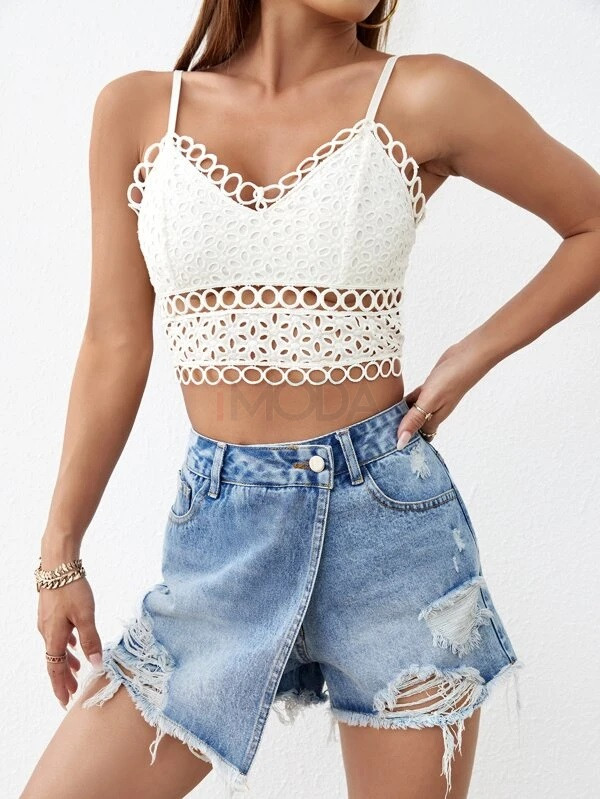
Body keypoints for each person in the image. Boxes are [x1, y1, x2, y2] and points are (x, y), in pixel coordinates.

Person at [22, 1, 600, 798]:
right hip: (221, 544)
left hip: (390, 533)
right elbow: (113, 340)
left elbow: (591, 222)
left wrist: (467, 357)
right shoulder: (139, 109)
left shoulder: (425, 94)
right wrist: (60, 552)